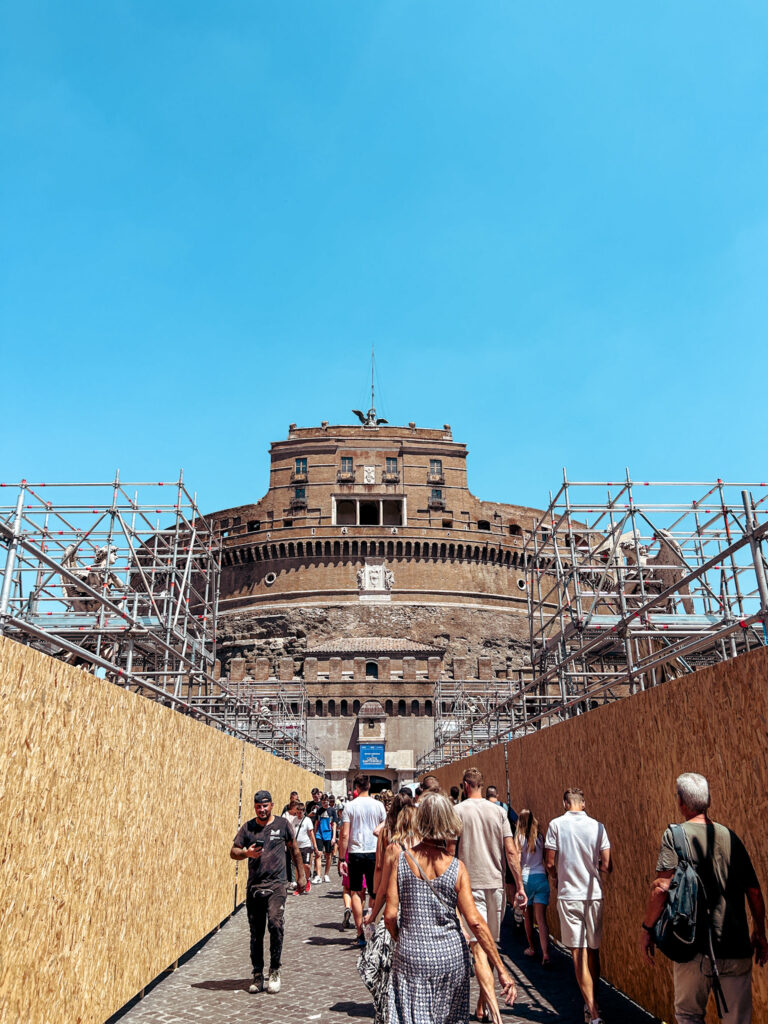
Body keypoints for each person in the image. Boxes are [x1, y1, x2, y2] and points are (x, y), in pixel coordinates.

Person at [639, 772, 768, 1024]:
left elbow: (661, 888)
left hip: (694, 949)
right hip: (736, 948)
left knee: (688, 1016)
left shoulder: (675, 836)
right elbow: (753, 891)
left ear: (681, 802)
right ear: (707, 801)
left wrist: (647, 929)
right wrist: (760, 933)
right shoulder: (731, 837)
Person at [385, 792, 517, 1024]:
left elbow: (390, 915)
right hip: (450, 956)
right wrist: (502, 969)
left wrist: (401, 938)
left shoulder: (402, 860)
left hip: (411, 954)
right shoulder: (456, 868)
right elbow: (474, 921)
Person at [455, 767, 526, 1024]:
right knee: (490, 945)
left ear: (465, 785)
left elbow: (451, 852)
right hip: (495, 884)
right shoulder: (499, 811)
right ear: (482, 785)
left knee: (479, 947)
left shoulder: (458, 811)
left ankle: (484, 1005)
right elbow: (511, 851)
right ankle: (486, 1009)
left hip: (468, 886)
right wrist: (519, 885)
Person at [544, 787, 611, 1024]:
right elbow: (606, 864)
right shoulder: (598, 827)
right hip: (593, 894)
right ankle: (593, 1003)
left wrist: (555, 876)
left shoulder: (556, 825)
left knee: (577, 953)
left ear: (565, 804)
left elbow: (550, 862)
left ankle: (593, 1013)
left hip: (569, 894)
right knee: (593, 950)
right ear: (583, 804)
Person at [230, 789, 307, 994]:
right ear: (255, 807)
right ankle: (257, 973)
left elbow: (294, 850)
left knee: (275, 924)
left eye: (265, 806)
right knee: (256, 933)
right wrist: (246, 853)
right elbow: (233, 852)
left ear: (271, 805)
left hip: (277, 885)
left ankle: (274, 970)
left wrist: (301, 875)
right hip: (255, 886)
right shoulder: (248, 828)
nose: (262, 809)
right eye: (258, 806)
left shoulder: (282, 825)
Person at [361, 801, 419, 1024]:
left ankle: (392, 1010)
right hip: (418, 914)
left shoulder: (394, 848)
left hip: (397, 913)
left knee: (388, 966)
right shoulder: (428, 847)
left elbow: (383, 888)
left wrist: (373, 913)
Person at [339, 773, 387, 947]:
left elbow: (344, 834)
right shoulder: (379, 805)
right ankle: (371, 927)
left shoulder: (350, 806)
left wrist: (341, 857)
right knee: (374, 892)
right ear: (369, 786)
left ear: (356, 788)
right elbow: (385, 829)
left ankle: (360, 931)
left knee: (356, 892)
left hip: (355, 852)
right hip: (375, 852)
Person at [515, 809, 550, 966]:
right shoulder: (540, 838)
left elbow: (516, 860)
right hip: (541, 877)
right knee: (541, 920)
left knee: (528, 917)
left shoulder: (519, 838)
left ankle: (532, 947)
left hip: (526, 878)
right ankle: (546, 953)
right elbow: (545, 860)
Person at [291, 802, 317, 893]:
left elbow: (311, 834)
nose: (298, 814)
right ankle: (299, 886)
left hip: (306, 846)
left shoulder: (307, 820)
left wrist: (315, 846)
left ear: (304, 812)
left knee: (306, 865)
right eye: (297, 812)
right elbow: (292, 834)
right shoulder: (294, 820)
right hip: (297, 847)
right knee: (297, 867)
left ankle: (307, 880)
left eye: (300, 812)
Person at [313, 794, 337, 883]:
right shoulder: (319, 811)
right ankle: (318, 875)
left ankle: (326, 874)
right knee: (318, 854)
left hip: (328, 834)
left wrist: (334, 837)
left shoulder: (332, 811)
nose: (324, 804)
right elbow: (316, 823)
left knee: (328, 855)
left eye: (326, 802)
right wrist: (315, 835)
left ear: (328, 801)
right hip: (319, 834)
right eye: (323, 803)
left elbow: (334, 824)